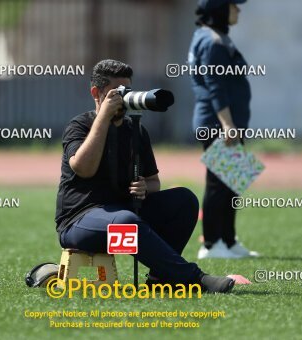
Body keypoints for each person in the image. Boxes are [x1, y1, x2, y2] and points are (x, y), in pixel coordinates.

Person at [55, 59, 235, 293]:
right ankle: (195, 279)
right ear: (96, 93)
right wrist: (104, 118)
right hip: (79, 222)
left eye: (126, 91)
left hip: (123, 212)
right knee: (126, 223)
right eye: (116, 93)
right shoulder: (79, 126)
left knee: (185, 200)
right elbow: (84, 168)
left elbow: (154, 183)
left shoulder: (135, 129)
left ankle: (160, 279)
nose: (123, 98)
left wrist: (144, 187)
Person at [188, 0, 259, 258]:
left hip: (222, 121)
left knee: (232, 182)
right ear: (219, 9)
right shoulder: (213, 42)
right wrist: (227, 125)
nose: (238, 10)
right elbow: (215, 86)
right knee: (218, 183)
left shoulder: (210, 36)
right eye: (233, 5)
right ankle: (211, 245)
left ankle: (228, 242)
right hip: (217, 123)